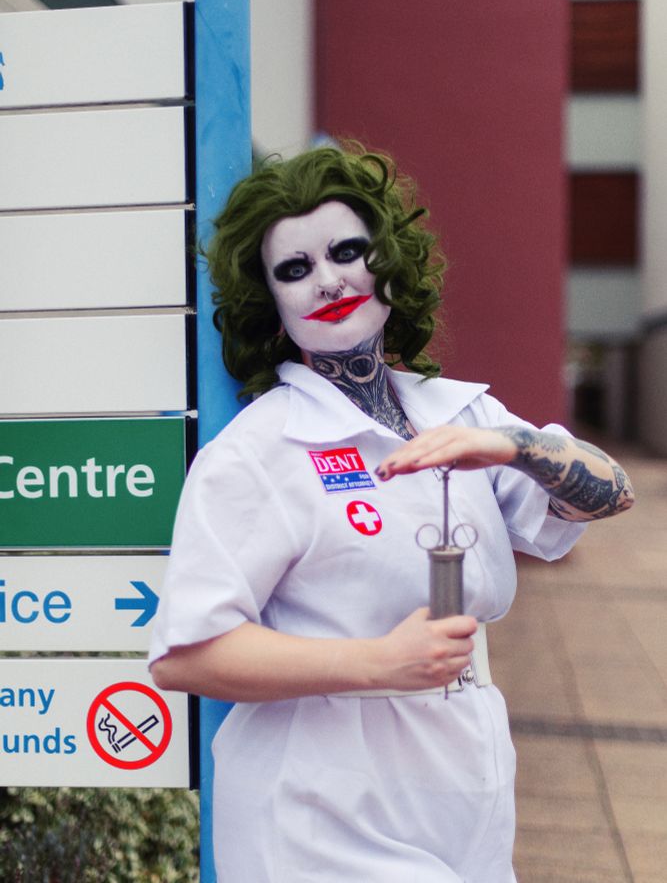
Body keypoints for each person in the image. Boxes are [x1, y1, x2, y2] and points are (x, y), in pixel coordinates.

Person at [149, 145, 634, 883]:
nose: (328, 280)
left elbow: (611, 492)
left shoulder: (460, 412)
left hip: (463, 782)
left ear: (387, 263)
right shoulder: (257, 452)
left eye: (347, 251)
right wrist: (373, 662)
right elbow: (187, 652)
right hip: (317, 809)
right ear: (270, 302)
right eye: (294, 269)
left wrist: (510, 445)